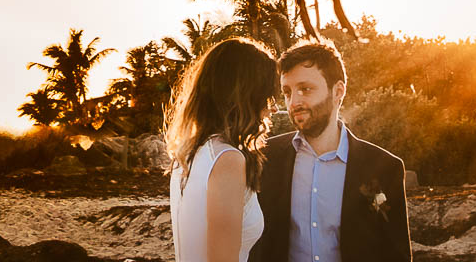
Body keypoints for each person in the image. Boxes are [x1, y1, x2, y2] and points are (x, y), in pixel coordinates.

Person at [249, 41, 409, 262]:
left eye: (305, 89)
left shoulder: (384, 166)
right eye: (287, 92)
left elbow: (396, 255)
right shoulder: (264, 157)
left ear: (338, 92)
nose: (293, 102)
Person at [166, 37, 281, 262]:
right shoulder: (227, 159)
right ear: (245, 95)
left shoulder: (189, 153)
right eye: (267, 96)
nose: (274, 108)